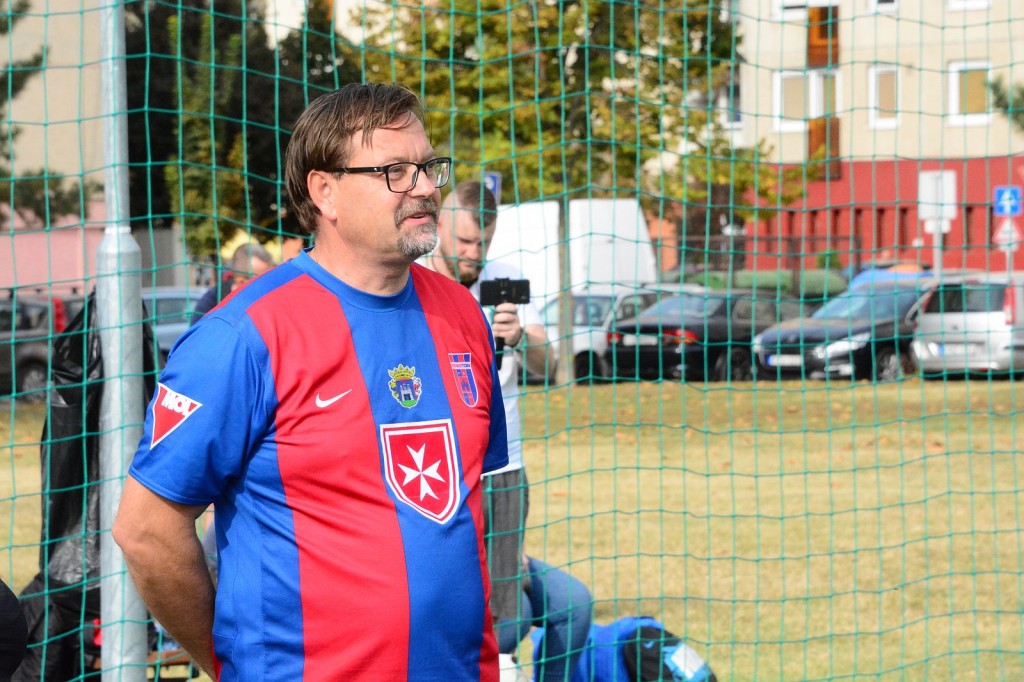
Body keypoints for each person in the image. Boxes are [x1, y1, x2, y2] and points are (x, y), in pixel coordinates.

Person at [114, 83, 509, 681]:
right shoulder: (243, 336)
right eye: (395, 172)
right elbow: (146, 530)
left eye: (428, 167)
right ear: (325, 191)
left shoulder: (462, 315)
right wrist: (228, 664)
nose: (425, 187)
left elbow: (458, 517)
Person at [423, 182, 590, 680]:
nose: (474, 254)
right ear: (440, 227)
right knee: (471, 614)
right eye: (465, 241)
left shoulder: (505, 281)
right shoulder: (414, 282)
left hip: (504, 471)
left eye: (484, 243)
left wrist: (519, 338)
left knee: (534, 613)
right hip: (443, 471)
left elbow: (547, 362)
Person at [189, 241, 276, 324]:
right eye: (263, 280)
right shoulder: (210, 305)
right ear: (241, 281)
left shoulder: (269, 302)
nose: (270, 286)